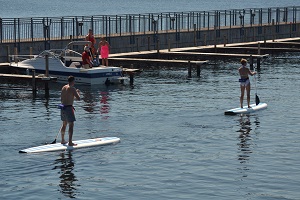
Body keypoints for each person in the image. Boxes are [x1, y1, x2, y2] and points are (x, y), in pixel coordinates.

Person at [59, 76, 81, 146]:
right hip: (68, 108)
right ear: (73, 81)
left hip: (63, 107)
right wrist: (78, 92)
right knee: (71, 125)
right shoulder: (72, 88)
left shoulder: (64, 87)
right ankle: (70, 142)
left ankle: (62, 140)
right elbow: (79, 98)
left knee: (64, 124)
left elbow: (65, 98)